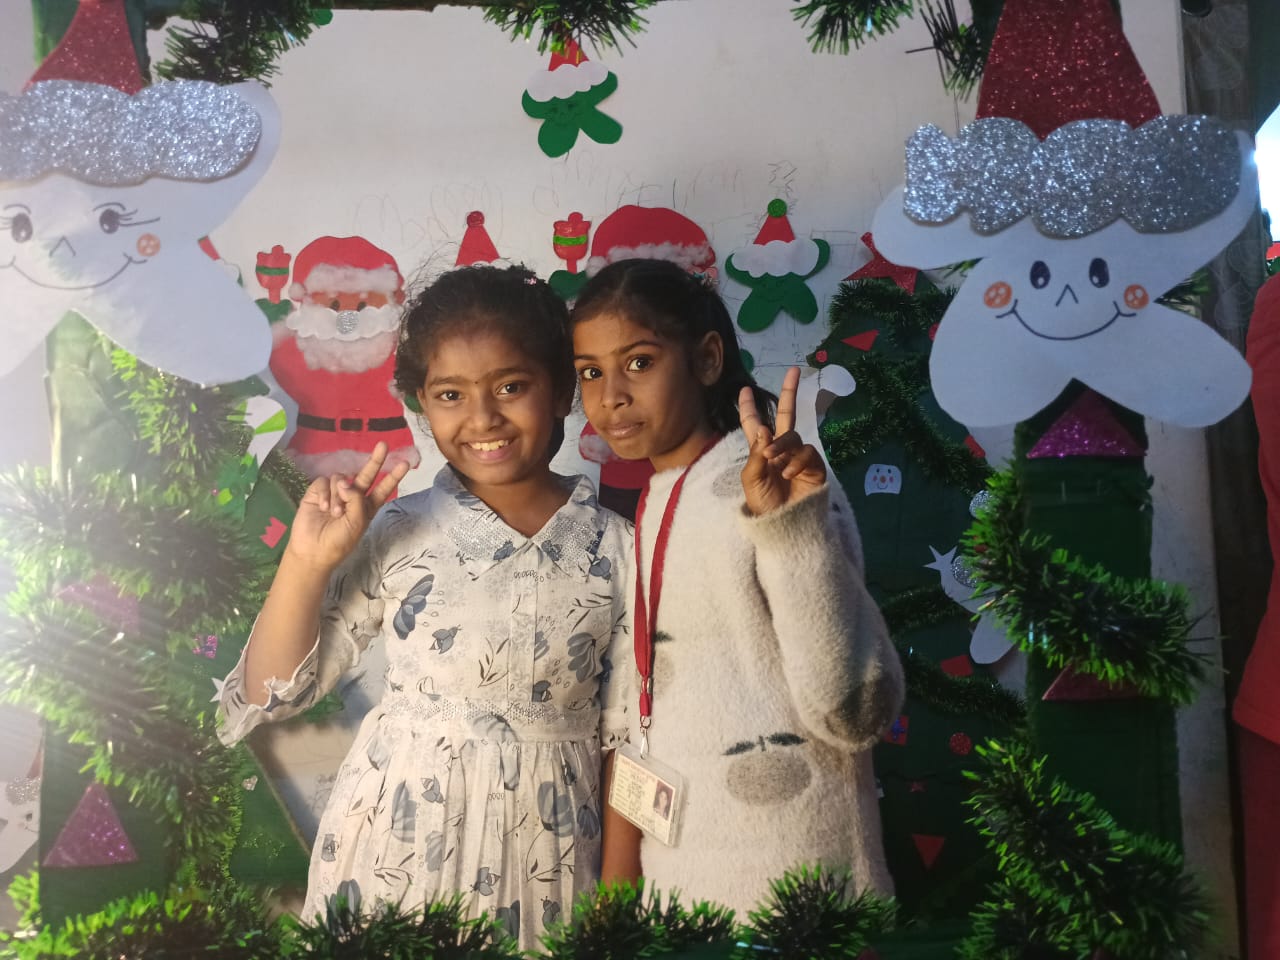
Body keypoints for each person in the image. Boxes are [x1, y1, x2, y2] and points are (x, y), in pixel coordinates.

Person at [216, 265, 631, 949]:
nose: (483, 418)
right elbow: (269, 694)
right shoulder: (397, 529)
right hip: (396, 849)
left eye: (511, 387)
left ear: (561, 389)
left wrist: (619, 903)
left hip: (551, 860)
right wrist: (308, 562)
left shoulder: (617, 547)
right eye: (451, 395)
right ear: (421, 403)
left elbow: (627, 737)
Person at [572, 258, 902, 913]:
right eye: (590, 372)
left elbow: (855, 713)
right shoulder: (658, 497)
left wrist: (792, 530)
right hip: (687, 882)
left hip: (798, 884)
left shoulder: (777, 486)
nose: (611, 395)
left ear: (707, 359)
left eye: (639, 362)